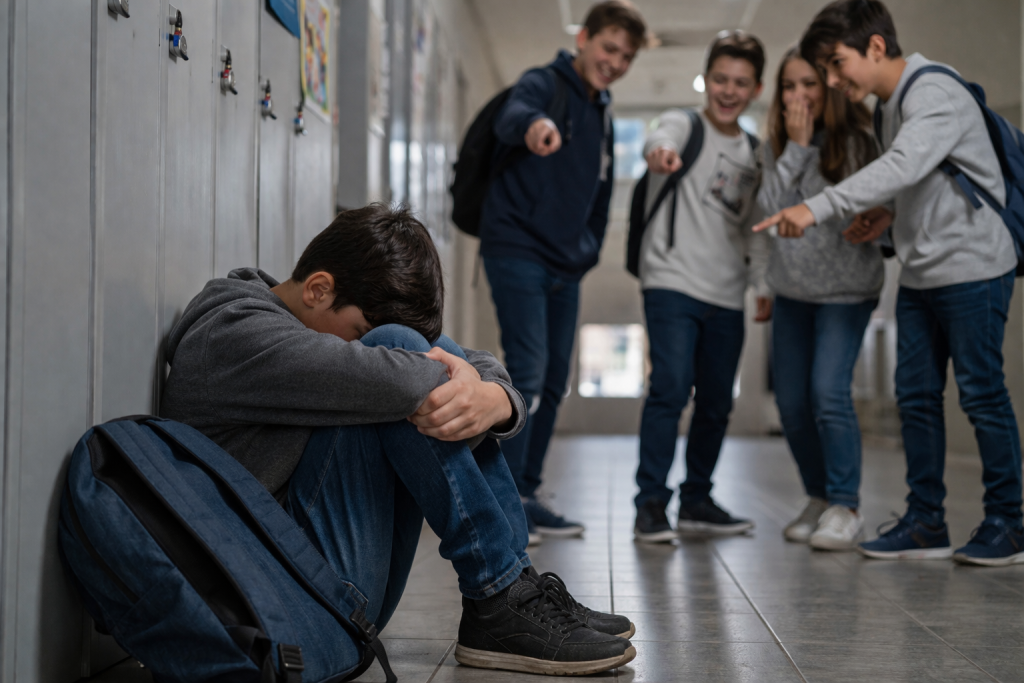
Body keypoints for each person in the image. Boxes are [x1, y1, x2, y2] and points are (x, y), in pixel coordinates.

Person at [160, 204, 637, 677]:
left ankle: (513, 586)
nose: (361, 341)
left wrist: (495, 397)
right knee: (407, 358)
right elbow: (410, 374)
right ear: (318, 289)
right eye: (358, 331)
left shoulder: (300, 315)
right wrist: (479, 388)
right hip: (294, 602)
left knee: (432, 359)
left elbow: (458, 358)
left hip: (337, 587)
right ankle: (498, 592)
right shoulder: (236, 336)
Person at [755, 0, 1024, 565]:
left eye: (835, 64)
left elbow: (902, 164)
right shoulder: (890, 106)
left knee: (980, 393)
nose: (831, 81)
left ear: (875, 47)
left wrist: (817, 207)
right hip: (923, 270)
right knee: (916, 400)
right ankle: (926, 521)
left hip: (974, 266)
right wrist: (887, 213)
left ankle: (1009, 522)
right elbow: (920, 179)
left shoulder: (934, 91)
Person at [480, 1, 647, 542]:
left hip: (565, 262)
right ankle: (502, 502)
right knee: (527, 370)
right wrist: (535, 125)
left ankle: (525, 493)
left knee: (553, 381)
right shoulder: (544, 83)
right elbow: (513, 115)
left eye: (626, 55)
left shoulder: (603, 110)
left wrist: (589, 246)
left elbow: (601, 187)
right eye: (608, 47)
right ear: (584, 38)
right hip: (516, 249)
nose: (615, 61)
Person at [632, 31, 772, 543]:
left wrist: (760, 283)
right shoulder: (683, 125)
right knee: (669, 388)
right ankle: (650, 503)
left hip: (726, 292)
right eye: (719, 79)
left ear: (755, 88)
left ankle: (696, 499)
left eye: (740, 83)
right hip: (670, 280)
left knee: (716, 401)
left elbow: (757, 226)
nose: (728, 91)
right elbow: (658, 135)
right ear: (706, 79)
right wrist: (661, 152)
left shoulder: (757, 152)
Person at [757, 47, 883, 551]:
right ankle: (818, 495)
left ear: (829, 85)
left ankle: (846, 505)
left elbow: (877, 204)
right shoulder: (776, 146)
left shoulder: (859, 141)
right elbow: (768, 212)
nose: (799, 95)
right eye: (789, 86)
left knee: (828, 393)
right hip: (791, 292)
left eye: (809, 83)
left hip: (846, 292)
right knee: (791, 403)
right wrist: (798, 148)